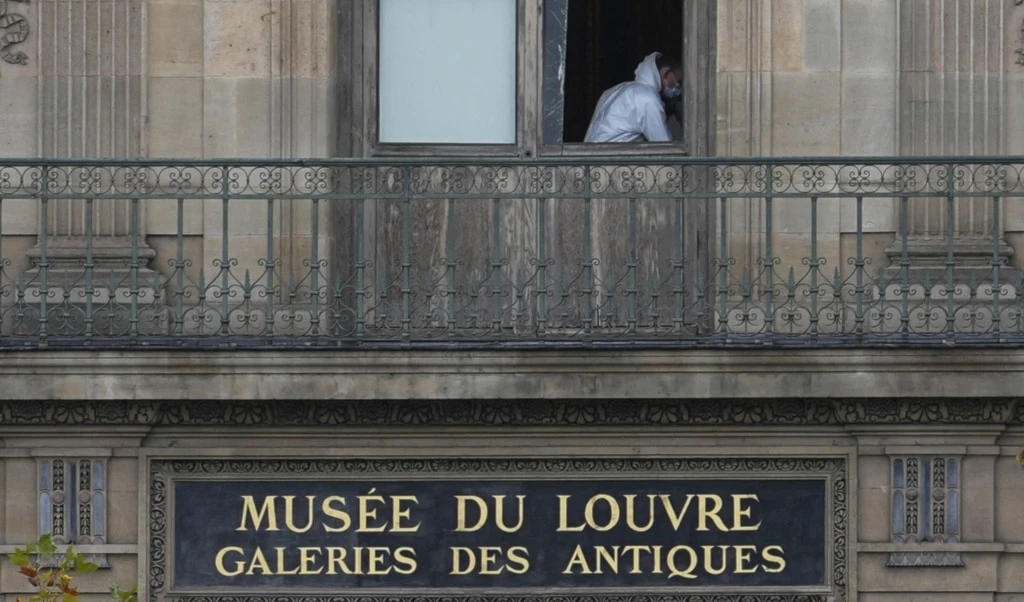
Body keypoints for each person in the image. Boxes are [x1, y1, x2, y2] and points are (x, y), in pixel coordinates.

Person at [583, 52, 682, 143]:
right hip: (610, 159)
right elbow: (664, 146)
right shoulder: (648, 99)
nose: (678, 86)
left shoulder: (616, 90)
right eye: (678, 81)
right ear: (666, 73)